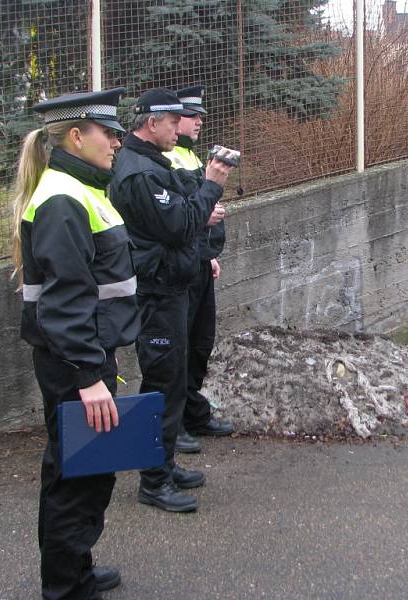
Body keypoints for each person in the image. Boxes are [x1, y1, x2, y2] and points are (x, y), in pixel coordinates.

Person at [13, 87, 139, 599]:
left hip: (81, 358)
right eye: (107, 133)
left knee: (79, 470)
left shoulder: (78, 189)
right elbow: (65, 304)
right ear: (75, 135)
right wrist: (89, 378)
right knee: (78, 479)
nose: (116, 141)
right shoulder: (65, 198)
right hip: (76, 365)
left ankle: (74, 572)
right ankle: (66, 588)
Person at [109, 88, 232, 512]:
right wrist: (212, 187)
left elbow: (181, 214)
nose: (179, 128)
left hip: (171, 286)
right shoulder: (139, 171)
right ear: (152, 121)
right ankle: (153, 482)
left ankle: (164, 464)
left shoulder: (152, 163)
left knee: (173, 381)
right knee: (161, 384)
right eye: (172, 121)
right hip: (156, 292)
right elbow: (179, 224)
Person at [163, 85, 236, 456]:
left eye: (199, 116)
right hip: (178, 267)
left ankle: (193, 413)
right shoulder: (168, 159)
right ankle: (171, 427)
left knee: (200, 343)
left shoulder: (190, 157)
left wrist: (208, 254)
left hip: (199, 261)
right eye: (192, 116)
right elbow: (182, 215)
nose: (199, 122)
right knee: (176, 349)